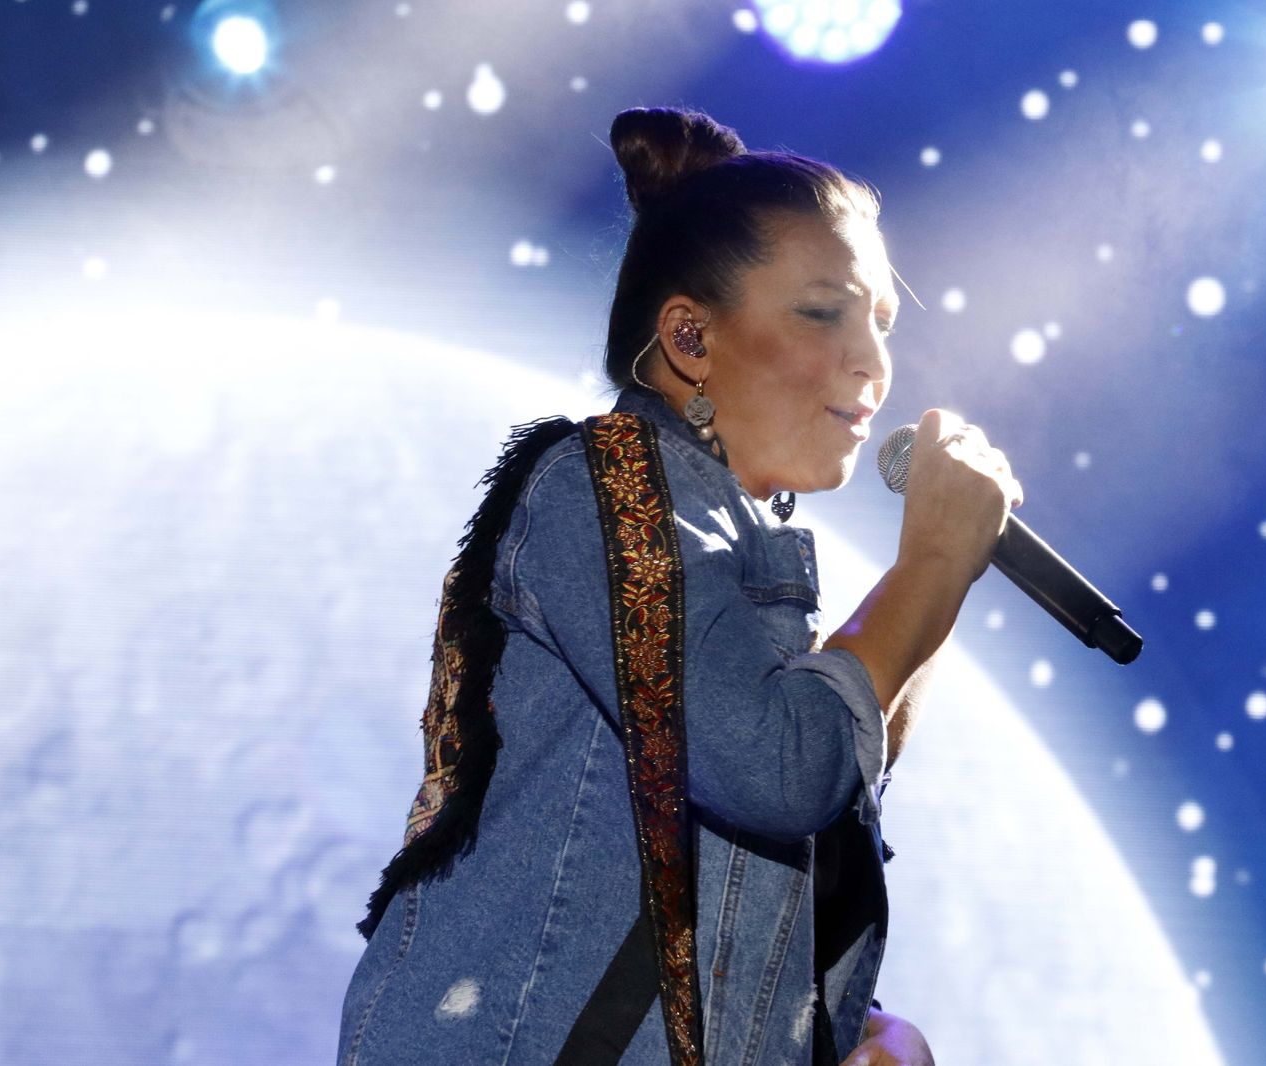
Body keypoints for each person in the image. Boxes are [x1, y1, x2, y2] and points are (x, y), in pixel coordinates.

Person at [336, 107, 1022, 1066]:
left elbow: (797, 812)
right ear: (691, 340)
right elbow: (776, 768)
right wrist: (932, 567)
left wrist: (832, 1036)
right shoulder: (595, 487)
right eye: (825, 311)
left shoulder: (732, 563)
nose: (872, 363)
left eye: (881, 321)